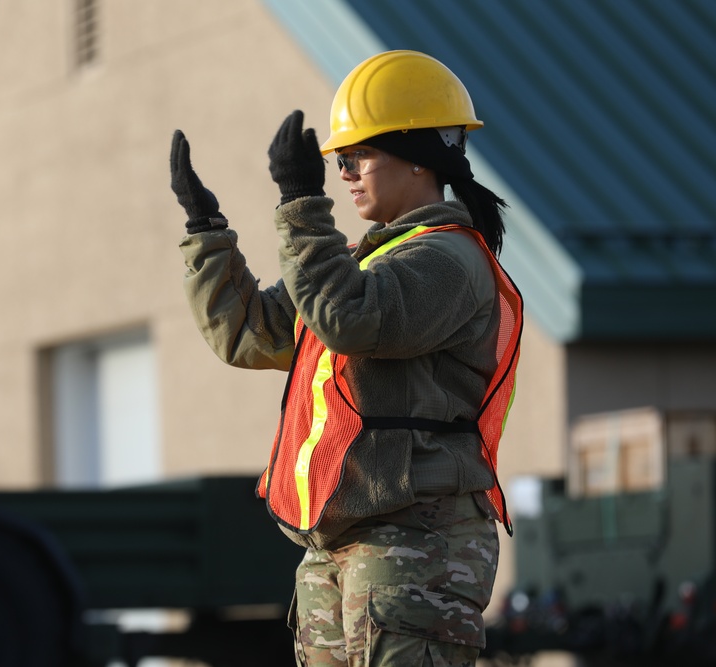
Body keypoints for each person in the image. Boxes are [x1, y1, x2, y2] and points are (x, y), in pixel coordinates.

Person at [169, 50, 523, 667]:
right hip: (344, 544)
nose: (345, 173)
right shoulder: (362, 263)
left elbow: (349, 318)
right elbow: (251, 332)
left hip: (415, 541)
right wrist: (206, 233)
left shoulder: (449, 260)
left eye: (358, 156)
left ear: (420, 157)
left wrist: (302, 204)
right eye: (336, 162)